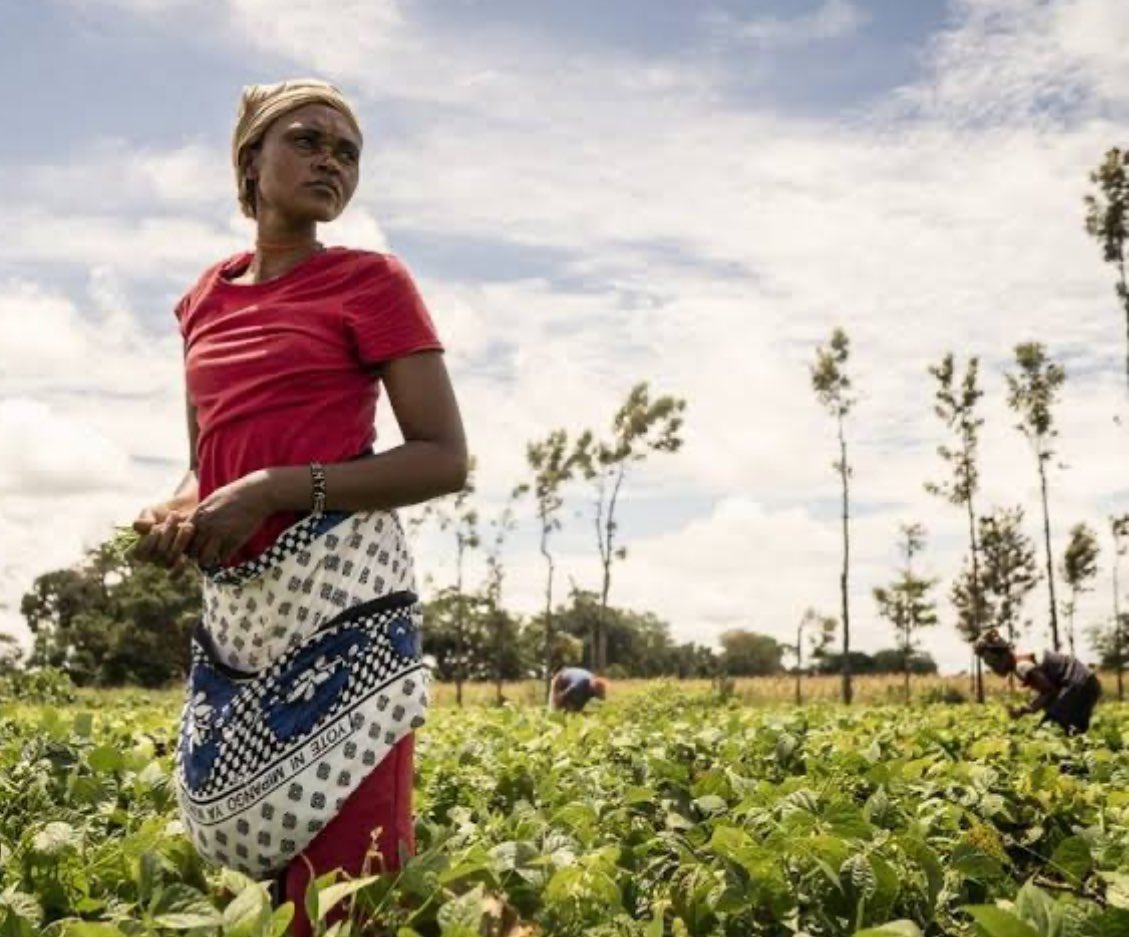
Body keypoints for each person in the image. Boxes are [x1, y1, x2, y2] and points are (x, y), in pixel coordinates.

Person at [130, 78, 467, 936]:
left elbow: (442, 456)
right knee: (261, 884)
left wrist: (283, 487)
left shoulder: (371, 282)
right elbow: (205, 463)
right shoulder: (203, 299)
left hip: (342, 608)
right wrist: (175, 512)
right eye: (309, 141)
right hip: (243, 621)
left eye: (347, 152)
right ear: (251, 160)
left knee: (344, 897)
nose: (331, 162)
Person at [973, 629, 1102, 734]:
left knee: (1049, 731)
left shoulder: (1021, 666)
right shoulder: (1021, 659)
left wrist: (1024, 710)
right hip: (1087, 683)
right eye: (990, 664)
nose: (994, 668)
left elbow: (1048, 691)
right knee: (1072, 730)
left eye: (994, 662)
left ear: (1003, 655)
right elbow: (1050, 693)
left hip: (1078, 684)